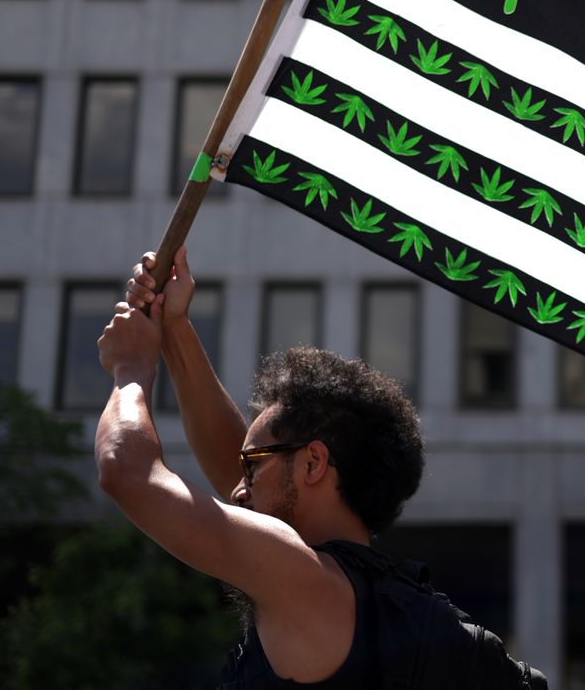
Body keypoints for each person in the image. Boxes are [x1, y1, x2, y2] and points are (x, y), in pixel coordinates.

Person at [97, 246, 543, 687]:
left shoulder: (300, 576)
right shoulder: (383, 603)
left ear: (313, 462)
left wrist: (131, 367)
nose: (236, 490)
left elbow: (126, 470)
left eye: (252, 466)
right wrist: (173, 328)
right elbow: (237, 462)